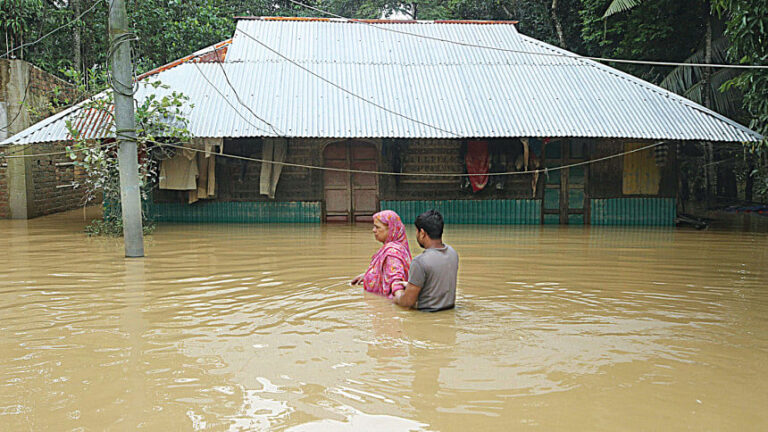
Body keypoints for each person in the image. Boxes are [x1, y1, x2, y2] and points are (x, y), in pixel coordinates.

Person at [394, 210, 459, 312]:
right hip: (449, 310)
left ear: (422, 233)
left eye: (417, 231)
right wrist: (410, 285)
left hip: (427, 315)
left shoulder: (419, 262)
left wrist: (397, 293)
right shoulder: (452, 253)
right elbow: (437, 283)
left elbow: (407, 302)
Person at [351, 210, 412, 298]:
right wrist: (367, 276)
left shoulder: (392, 253)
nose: (374, 230)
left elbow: (396, 282)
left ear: (391, 229)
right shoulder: (398, 248)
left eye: (377, 227)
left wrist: (401, 299)